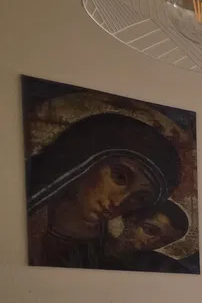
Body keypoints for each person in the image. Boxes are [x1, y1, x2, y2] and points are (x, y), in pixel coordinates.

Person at [26, 112, 181, 268]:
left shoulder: (107, 252)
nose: (119, 202)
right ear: (84, 159)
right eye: (120, 177)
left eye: (140, 198)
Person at [101, 201, 195, 274]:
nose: (154, 241)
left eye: (165, 241)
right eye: (151, 230)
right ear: (131, 220)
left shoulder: (160, 264)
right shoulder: (97, 245)